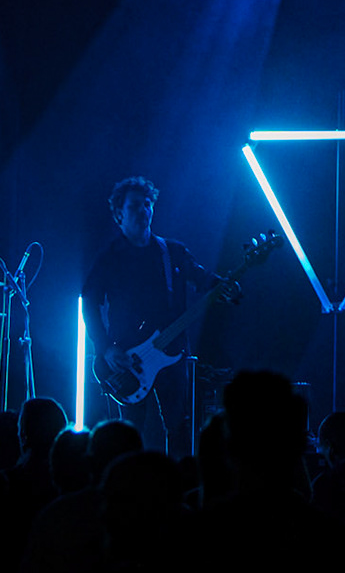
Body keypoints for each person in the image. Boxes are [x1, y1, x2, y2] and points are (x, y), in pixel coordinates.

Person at [81, 176, 235, 457]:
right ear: (119, 214)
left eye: (148, 204)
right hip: (128, 358)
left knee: (180, 430)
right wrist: (104, 348)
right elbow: (89, 302)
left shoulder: (172, 252)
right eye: (135, 206)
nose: (144, 210)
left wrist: (223, 285)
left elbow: (201, 277)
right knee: (128, 435)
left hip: (172, 353)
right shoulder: (110, 258)